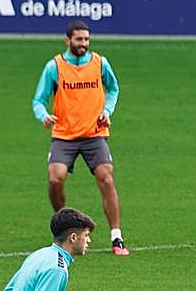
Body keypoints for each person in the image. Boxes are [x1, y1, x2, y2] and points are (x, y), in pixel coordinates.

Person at [32, 20, 129, 256]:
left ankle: (117, 237)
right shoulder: (54, 66)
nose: (83, 44)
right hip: (64, 134)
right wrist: (44, 116)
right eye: (79, 39)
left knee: (106, 178)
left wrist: (106, 112)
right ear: (68, 41)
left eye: (86, 39)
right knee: (56, 178)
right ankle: (65, 226)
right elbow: (38, 100)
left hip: (93, 133)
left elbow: (113, 89)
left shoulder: (99, 63)